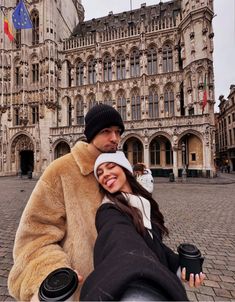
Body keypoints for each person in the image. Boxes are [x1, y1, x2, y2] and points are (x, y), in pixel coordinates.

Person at [7, 104, 125, 302]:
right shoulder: (61, 170)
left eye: (118, 132)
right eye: (106, 131)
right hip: (82, 290)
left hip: (122, 286)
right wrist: (57, 275)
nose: (115, 138)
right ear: (91, 133)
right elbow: (33, 239)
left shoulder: (123, 172)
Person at [80, 152, 205, 301]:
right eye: (99, 173)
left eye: (111, 166)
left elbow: (152, 245)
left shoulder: (142, 201)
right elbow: (120, 241)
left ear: (125, 168)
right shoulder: (108, 211)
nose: (105, 175)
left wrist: (179, 265)